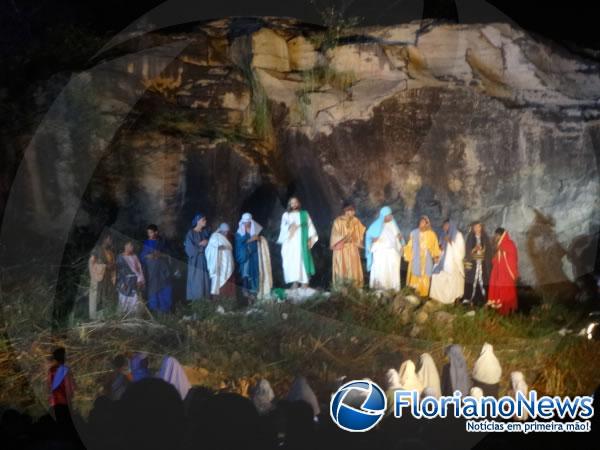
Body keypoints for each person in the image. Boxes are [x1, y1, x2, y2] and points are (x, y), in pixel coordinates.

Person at [277, 197, 318, 289]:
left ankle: (305, 282)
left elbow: (310, 225)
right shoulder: (286, 215)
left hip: (302, 241)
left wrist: (310, 238)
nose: (294, 204)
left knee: (302, 260)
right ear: (290, 205)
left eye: (295, 202)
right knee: (292, 261)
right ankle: (295, 282)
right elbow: (283, 227)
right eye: (292, 203)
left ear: (298, 203)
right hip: (290, 242)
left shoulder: (304, 214)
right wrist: (290, 227)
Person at [365, 206, 404, 291]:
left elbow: (399, 237)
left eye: (391, 214)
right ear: (384, 216)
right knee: (381, 269)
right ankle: (379, 288)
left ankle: (392, 288)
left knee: (392, 269)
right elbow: (368, 236)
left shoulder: (393, 224)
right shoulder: (376, 225)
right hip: (380, 253)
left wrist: (400, 240)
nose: (391, 216)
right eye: (389, 215)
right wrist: (372, 240)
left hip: (392, 253)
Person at [235, 213, 273, 299]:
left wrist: (259, 239)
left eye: (248, 222)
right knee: (246, 272)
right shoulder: (239, 233)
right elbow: (239, 244)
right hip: (245, 256)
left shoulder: (255, 230)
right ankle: (245, 290)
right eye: (245, 222)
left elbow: (260, 240)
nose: (246, 224)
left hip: (255, 255)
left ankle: (255, 292)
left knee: (255, 272)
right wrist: (251, 239)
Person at [330, 203, 366, 288]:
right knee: (342, 267)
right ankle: (341, 287)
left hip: (352, 248)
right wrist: (344, 239)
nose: (351, 212)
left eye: (352, 210)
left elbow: (360, 234)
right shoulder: (338, 221)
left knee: (353, 267)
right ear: (344, 210)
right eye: (349, 210)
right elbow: (335, 235)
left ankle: (355, 287)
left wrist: (357, 240)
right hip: (341, 248)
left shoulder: (356, 221)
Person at [404, 216, 441, 297]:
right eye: (420, 222)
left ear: (427, 224)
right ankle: (413, 291)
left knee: (425, 276)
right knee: (414, 275)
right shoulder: (414, 232)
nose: (422, 224)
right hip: (415, 257)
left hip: (426, 258)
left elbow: (435, 246)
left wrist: (436, 256)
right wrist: (406, 252)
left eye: (424, 222)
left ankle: (423, 293)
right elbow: (410, 245)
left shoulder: (432, 234)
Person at [430, 220, 465, 304]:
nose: (444, 227)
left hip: (453, 261)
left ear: (450, 225)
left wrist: (449, 241)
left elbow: (461, 252)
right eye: (443, 226)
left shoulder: (458, 235)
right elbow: (440, 247)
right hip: (443, 260)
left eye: (446, 225)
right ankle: (439, 298)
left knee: (452, 279)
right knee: (436, 275)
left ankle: (451, 300)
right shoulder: (443, 235)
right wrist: (439, 250)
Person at [140, 224, 173, 313]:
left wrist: (160, 255)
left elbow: (168, 255)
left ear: (156, 232)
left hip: (162, 270)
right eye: (148, 233)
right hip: (151, 271)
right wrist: (149, 255)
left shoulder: (161, 242)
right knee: (153, 288)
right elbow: (142, 256)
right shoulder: (146, 243)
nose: (149, 235)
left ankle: (165, 309)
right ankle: (154, 309)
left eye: (151, 232)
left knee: (165, 288)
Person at [487, 227, 519, 315]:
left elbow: (513, 257)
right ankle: (501, 312)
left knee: (507, 293)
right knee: (499, 292)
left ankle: (508, 312)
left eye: (497, 235)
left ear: (501, 235)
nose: (495, 237)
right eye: (495, 235)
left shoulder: (510, 244)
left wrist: (502, 249)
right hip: (499, 273)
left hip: (507, 274)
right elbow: (495, 260)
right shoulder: (499, 245)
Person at [462, 221, 493, 306]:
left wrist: (484, 252)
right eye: (475, 227)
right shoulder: (470, 237)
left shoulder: (485, 238)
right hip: (473, 263)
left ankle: (482, 299)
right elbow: (467, 252)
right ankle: (469, 298)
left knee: (483, 280)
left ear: (481, 227)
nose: (476, 229)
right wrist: (474, 249)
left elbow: (489, 252)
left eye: (478, 227)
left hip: (483, 264)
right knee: (471, 280)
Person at [88, 233, 116, 320]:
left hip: (108, 279)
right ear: (104, 239)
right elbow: (91, 263)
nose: (111, 242)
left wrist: (112, 267)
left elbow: (113, 265)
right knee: (97, 298)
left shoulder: (111, 252)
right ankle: (95, 319)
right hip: (99, 278)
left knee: (106, 298)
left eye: (111, 240)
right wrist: (103, 266)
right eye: (109, 239)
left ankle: (105, 318)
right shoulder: (97, 249)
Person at [184, 213, 211, 301]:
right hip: (195, 262)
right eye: (203, 220)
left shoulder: (205, 232)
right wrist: (201, 246)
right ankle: (197, 306)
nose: (205, 221)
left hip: (205, 261)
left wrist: (207, 242)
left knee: (206, 281)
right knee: (196, 281)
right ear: (198, 221)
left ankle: (206, 305)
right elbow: (189, 249)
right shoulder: (190, 233)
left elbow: (212, 244)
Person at [206, 223, 235, 297]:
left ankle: (229, 302)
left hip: (228, 263)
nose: (226, 233)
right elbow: (209, 250)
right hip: (219, 264)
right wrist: (218, 248)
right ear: (221, 230)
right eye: (225, 231)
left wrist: (226, 248)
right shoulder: (214, 237)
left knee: (229, 282)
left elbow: (229, 248)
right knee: (219, 283)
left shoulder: (228, 238)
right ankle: (219, 302)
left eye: (227, 231)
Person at [116, 240, 145, 314]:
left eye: (132, 246)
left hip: (134, 281)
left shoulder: (135, 256)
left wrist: (140, 280)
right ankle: (123, 316)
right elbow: (119, 271)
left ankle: (134, 316)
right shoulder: (120, 257)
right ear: (125, 246)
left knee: (135, 300)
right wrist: (122, 282)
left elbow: (139, 269)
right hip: (124, 281)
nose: (132, 247)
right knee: (124, 299)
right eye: (130, 246)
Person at [47, 348, 75, 424]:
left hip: (54, 404)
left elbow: (49, 387)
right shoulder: (66, 370)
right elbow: (70, 388)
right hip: (65, 403)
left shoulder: (51, 370)